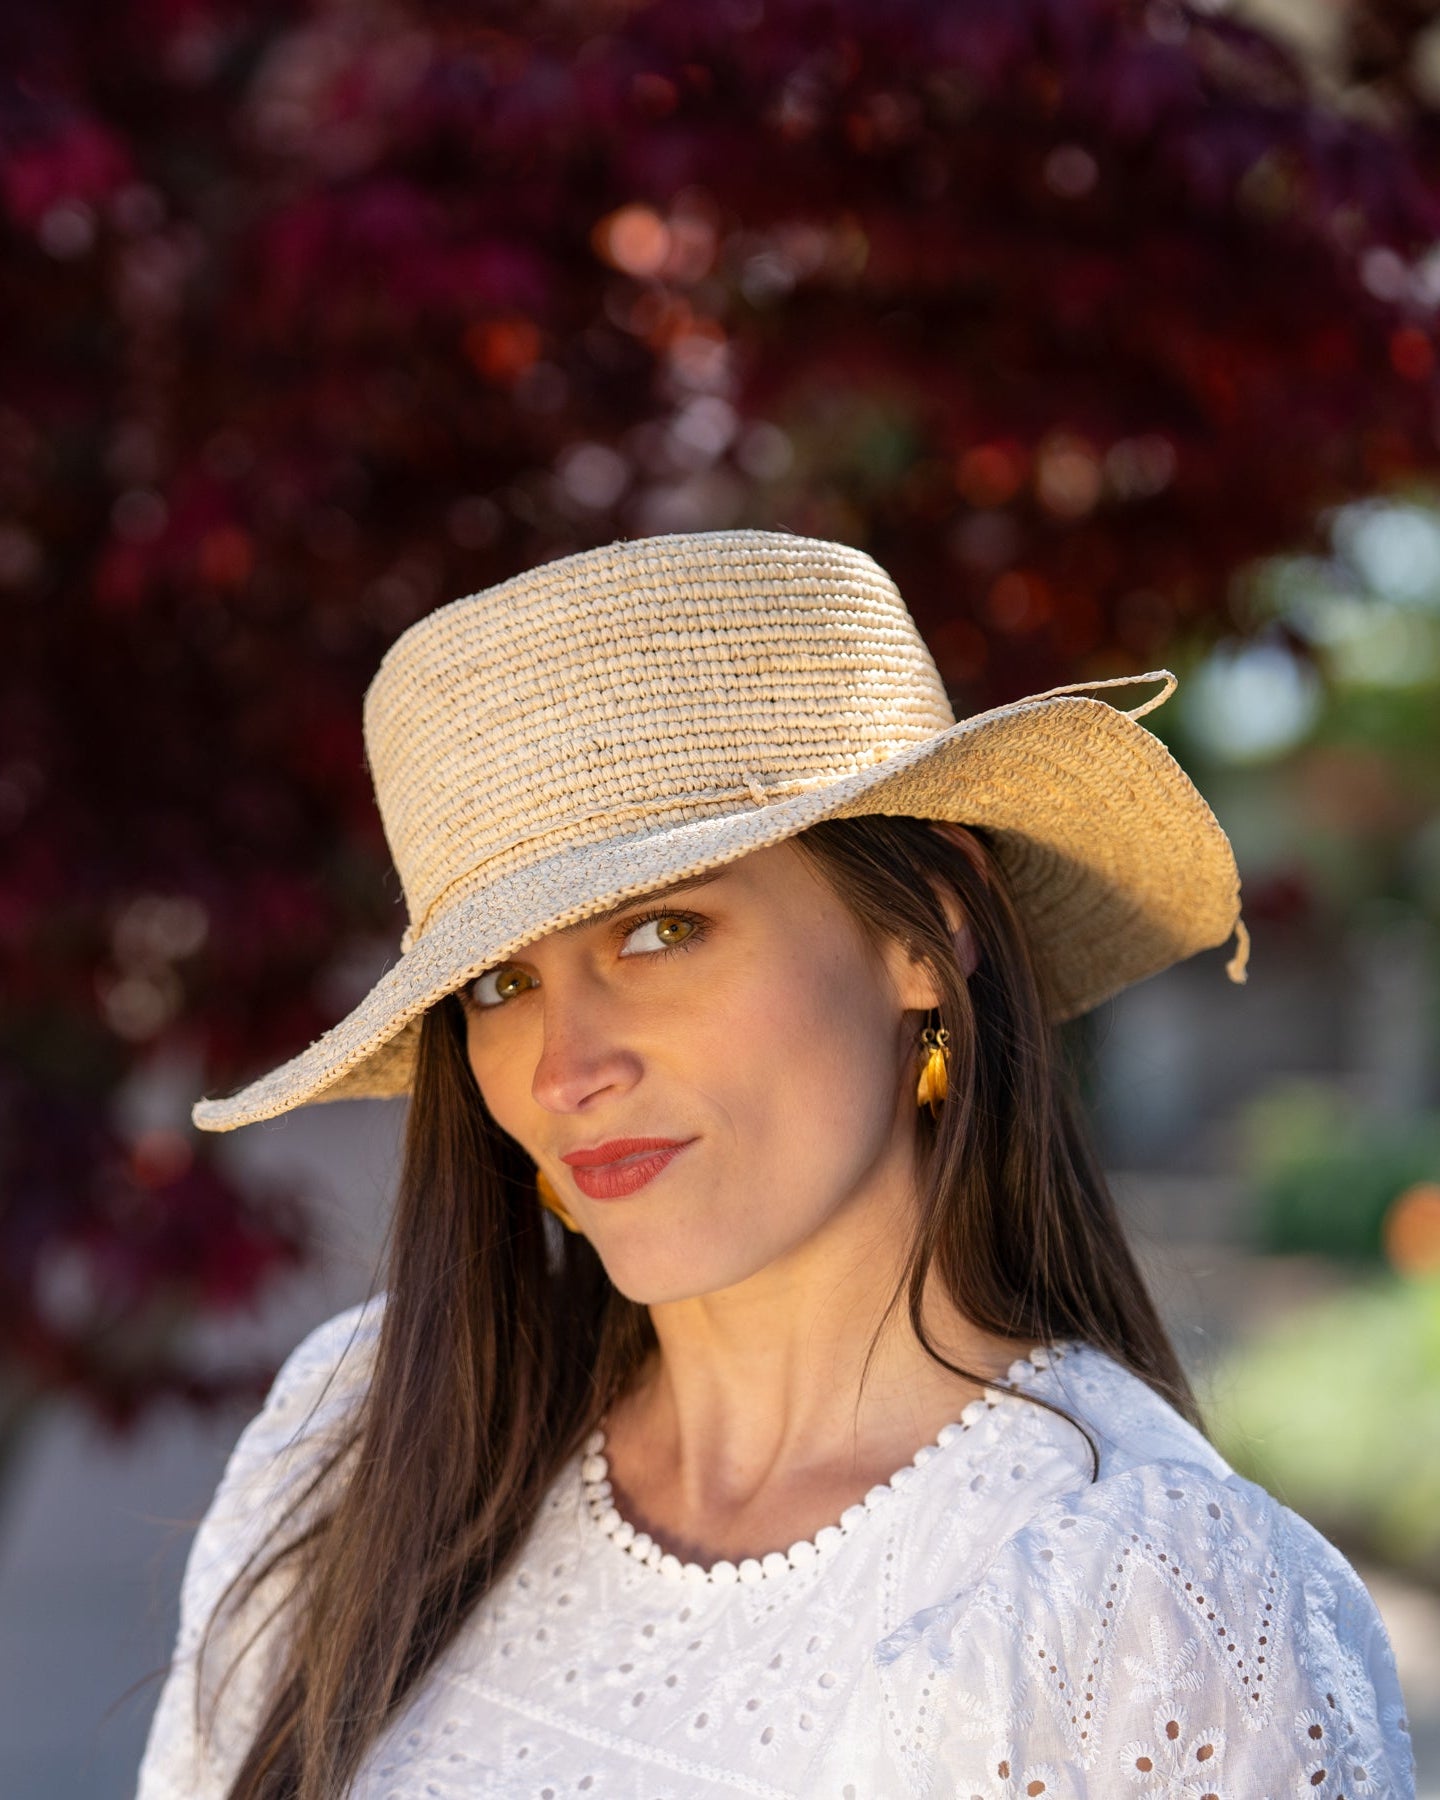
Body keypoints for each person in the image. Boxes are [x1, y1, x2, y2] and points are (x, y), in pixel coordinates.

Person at [134, 529, 1415, 1800]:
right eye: (498, 981)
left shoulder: (1145, 1610)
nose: (565, 1069)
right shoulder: (366, 1434)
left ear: (929, 932)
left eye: (662, 929)